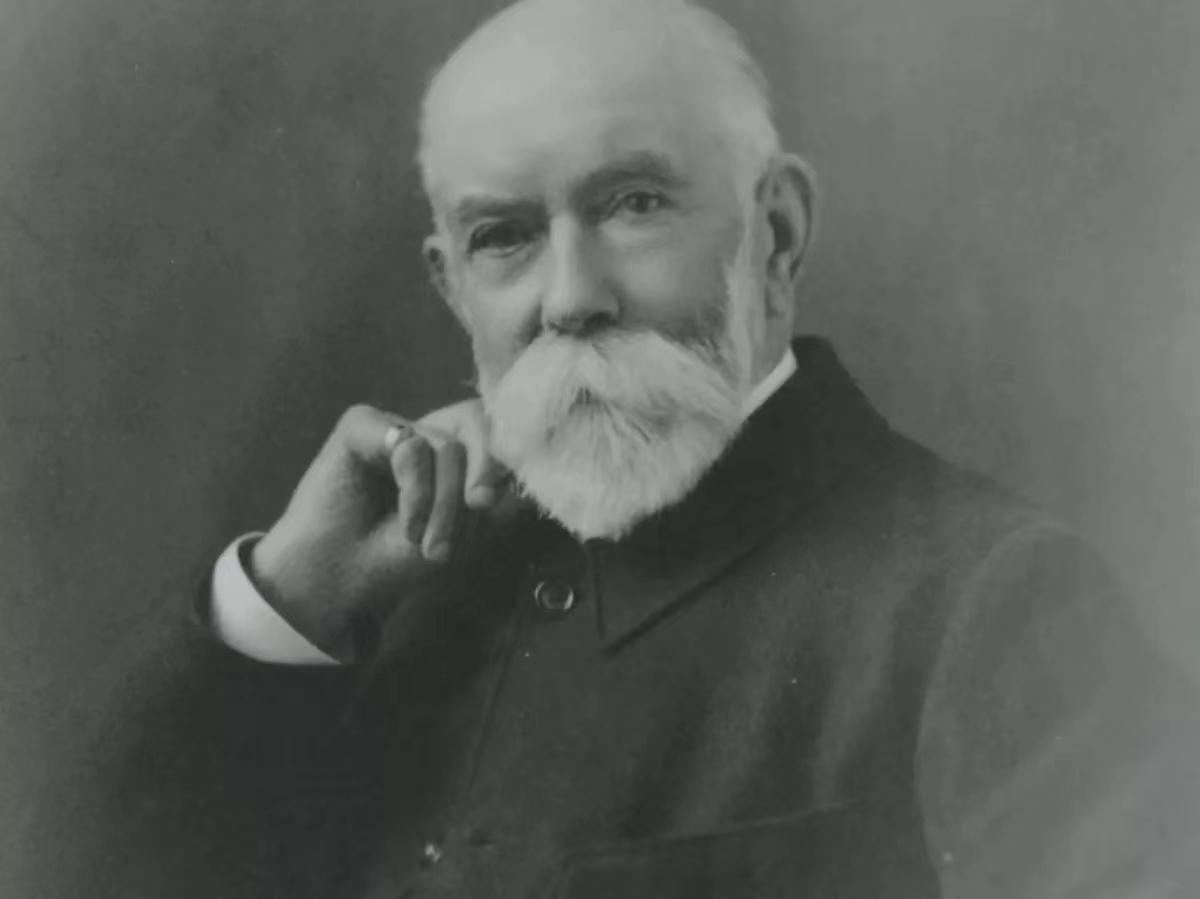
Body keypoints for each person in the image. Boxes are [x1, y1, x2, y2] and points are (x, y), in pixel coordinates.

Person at [31, 0, 1200, 896]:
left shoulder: (994, 601)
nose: (572, 296)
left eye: (634, 203)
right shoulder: (403, 590)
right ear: (451, 286)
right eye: (503, 236)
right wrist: (286, 599)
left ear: (776, 234)